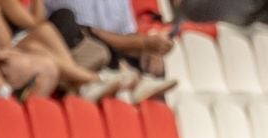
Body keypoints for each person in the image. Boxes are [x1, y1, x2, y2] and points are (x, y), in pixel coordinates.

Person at [43, 0, 178, 101]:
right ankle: (114, 80)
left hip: (104, 50)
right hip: (68, 47)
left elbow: (126, 33)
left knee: (150, 55)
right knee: (71, 21)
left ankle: (132, 80)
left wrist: (148, 46)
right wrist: (142, 43)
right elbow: (91, 30)